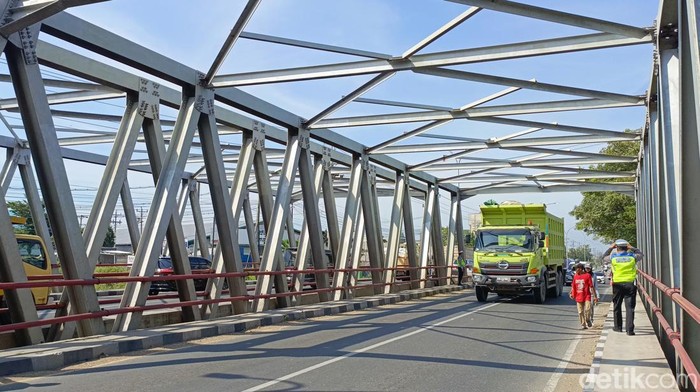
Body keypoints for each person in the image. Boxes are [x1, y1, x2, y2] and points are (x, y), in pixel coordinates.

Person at [603, 239, 643, 335]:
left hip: (617, 284)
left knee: (617, 305)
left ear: (616, 248)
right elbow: (641, 254)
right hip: (630, 284)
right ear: (627, 247)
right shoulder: (633, 257)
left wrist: (610, 247)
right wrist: (632, 247)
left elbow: (604, 257)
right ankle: (630, 330)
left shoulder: (613, 257)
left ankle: (618, 327)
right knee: (630, 308)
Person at [570, 263, 598, 329]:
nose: (576, 271)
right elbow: (573, 286)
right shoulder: (575, 276)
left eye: (577, 269)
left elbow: (591, 287)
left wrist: (595, 297)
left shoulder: (587, 276)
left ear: (580, 269)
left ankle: (588, 320)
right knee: (580, 312)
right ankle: (583, 324)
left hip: (586, 296)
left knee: (588, 309)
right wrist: (571, 293)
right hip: (578, 296)